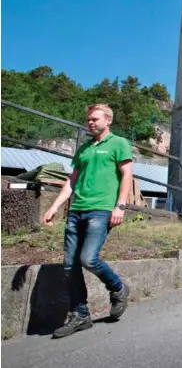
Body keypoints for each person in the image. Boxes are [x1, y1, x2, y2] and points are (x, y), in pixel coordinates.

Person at [42, 104, 133, 338]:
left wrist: (120, 206)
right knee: (70, 265)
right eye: (88, 119)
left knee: (88, 258)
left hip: (101, 211)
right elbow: (72, 181)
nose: (90, 122)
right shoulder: (83, 149)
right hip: (76, 211)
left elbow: (127, 176)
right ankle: (80, 314)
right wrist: (54, 206)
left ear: (108, 120)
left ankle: (118, 287)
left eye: (95, 119)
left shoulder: (119, 143)